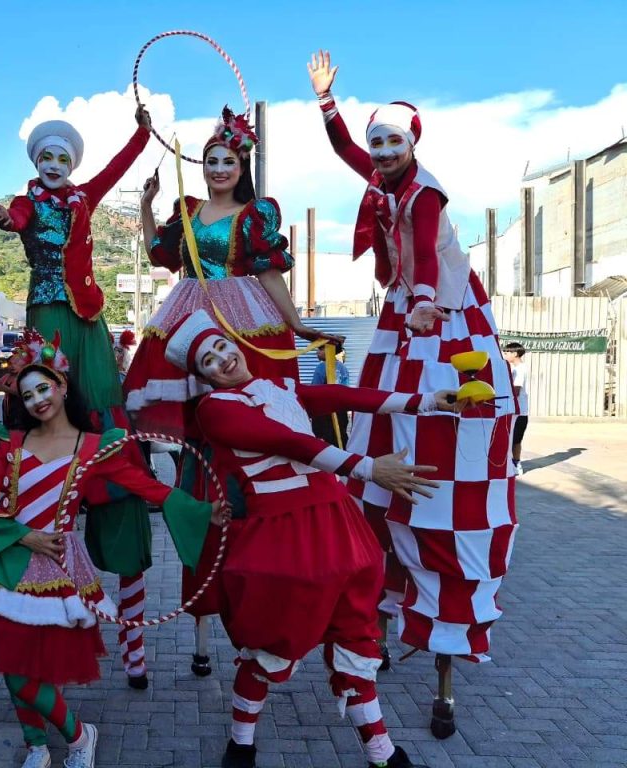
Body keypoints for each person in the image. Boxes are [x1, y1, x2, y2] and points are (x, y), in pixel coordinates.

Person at [309, 50, 517, 733]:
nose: (384, 152)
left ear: (413, 145)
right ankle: (381, 605)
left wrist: (426, 300)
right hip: (403, 318)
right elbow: (342, 148)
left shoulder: (425, 194)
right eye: (378, 142)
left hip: (453, 324)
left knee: (463, 447)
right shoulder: (376, 180)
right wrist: (327, 102)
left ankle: (448, 620)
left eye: (394, 142)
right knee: (381, 435)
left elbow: (426, 252)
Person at [0, 333, 219, 768]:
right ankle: (37, 746)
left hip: (55, 568)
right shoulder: (10, 444)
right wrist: (22, 535)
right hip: (3, 558)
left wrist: (202, 511)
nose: (36, 400)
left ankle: (79, 735)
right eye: (27, 395)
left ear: (62, 386)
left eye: (43, 388)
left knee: (29, 674)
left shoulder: (93, 446)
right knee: (12, 664)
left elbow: (145, 486)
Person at [165, 310, 459, 768]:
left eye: (222, 347)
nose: (222, 360)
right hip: (283, 540)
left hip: (339, 527)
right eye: (208, 360)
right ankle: (241, 744)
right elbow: (287, 441)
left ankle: (381, 751)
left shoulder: (277, 387)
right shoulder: (214, 410)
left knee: (356, 638)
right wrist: (367, 467)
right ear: (202, 376)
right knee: (269, 645)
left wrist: (427, 401)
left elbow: (346, 394)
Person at [123, 107, 341, 673]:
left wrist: (294, 324)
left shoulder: (256, 215)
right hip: (190, 318)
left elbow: (271, 274)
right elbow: (163, 255)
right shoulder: (188, 210)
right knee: (200, 449)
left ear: (242, 165)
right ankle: (203, 589)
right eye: (211, 160)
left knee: (264, 432)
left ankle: (274, 572)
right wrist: (147, 208)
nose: (218, 168)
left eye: (228, 160)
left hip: (246, 318)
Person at [0, 105, 158, 687]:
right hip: (46, 314)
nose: (55, 165)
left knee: (108, 424)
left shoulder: (85, 196)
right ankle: (38, 621)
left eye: (63, 157)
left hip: (87, 319)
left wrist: (141, 131)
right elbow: (15, 214)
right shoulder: (29, 201)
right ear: (35, 162)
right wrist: (8, 221)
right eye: (46, 157)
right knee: (43, 405)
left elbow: (115, 168)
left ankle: (135, 646)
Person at [310, 345, 351, 446]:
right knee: (340, 437)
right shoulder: (343, 367)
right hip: (341, 409)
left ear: (329, 350)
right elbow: (346, 388)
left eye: (320, 349)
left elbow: (314, 391)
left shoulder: (321, 367)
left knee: (324, 440)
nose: (317, 352)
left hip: (324, 411)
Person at [503, 342, 529, 476]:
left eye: (507, 352)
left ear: (515, 354)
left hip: (519, 411)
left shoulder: (520, 369)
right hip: (514, 410)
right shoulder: (514, 369)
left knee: (515, 440)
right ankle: (512, 463)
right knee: (510, 439)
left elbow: (516, 390)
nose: (505, 355)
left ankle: (516, 464)